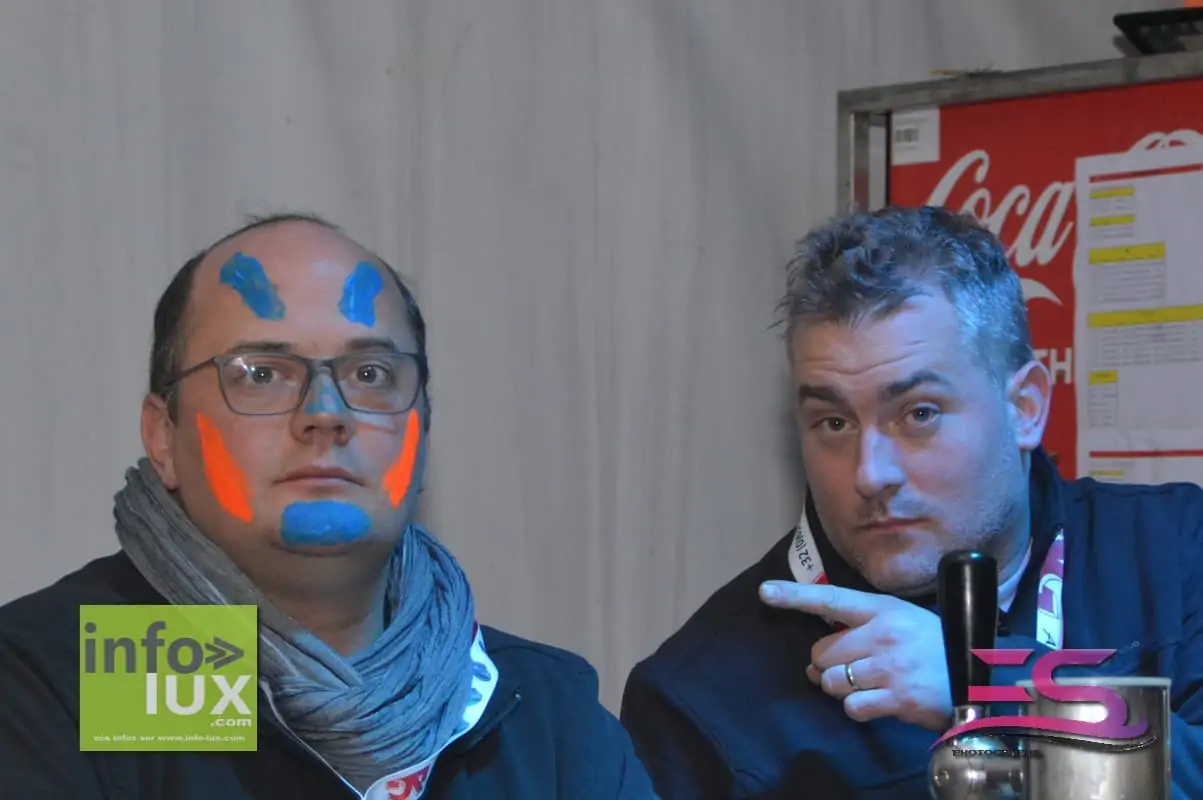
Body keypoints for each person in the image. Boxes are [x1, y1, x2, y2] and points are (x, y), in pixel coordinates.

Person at [0, 213, 655, 799]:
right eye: (260, 374)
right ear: (162, 437)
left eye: (370, 374)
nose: (324, 413)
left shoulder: (546, 718)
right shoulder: (52, 685)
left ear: (423, 427)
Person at [620, 205, 1203, 799]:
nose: (871, 474)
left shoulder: (1173, 553)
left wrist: (994, 693)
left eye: (919, 413)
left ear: (1025, 409)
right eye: (833, 423)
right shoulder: (699, 696)